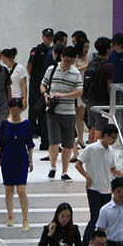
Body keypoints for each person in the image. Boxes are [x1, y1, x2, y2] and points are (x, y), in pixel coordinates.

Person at [42, 44, 82, 178]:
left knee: (68, 144)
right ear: (61, 57)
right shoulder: (52, 69)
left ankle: (65, 171)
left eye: (71, 61)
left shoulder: (76, 74)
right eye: (66, 60)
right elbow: (43, 84)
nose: (68, 63)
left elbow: (79, 92)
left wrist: (64, 95)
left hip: (69, 112)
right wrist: (46, 95)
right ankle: (52, 167)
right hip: (53, 111)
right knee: (54, 141)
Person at [0, 97, 34, 229]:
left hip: (21, 158)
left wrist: (31, 160)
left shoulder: (26, 124)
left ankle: (25, 219)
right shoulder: (5, 124)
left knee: (21, 190)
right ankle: (10, 216)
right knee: (9, 189)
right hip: (7, 158)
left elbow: (30, 143)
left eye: (17, 109)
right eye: (12, 109)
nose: (15, 112)